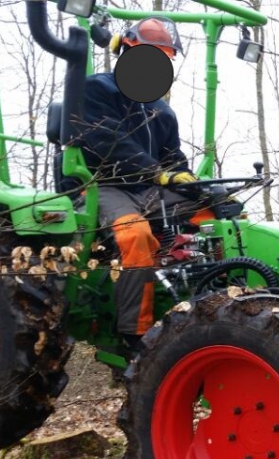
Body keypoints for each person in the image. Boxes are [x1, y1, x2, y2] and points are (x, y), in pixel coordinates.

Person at [76, 16, 199, 344]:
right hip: (103, 184)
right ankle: (135, 333)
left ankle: (213, 294)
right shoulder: (96, 90)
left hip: (147, 188)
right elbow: (108, 141)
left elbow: (173, 159)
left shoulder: (163, 112)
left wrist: (202, 189)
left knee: (216, 214)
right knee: (136, 236)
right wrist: (156, 173)